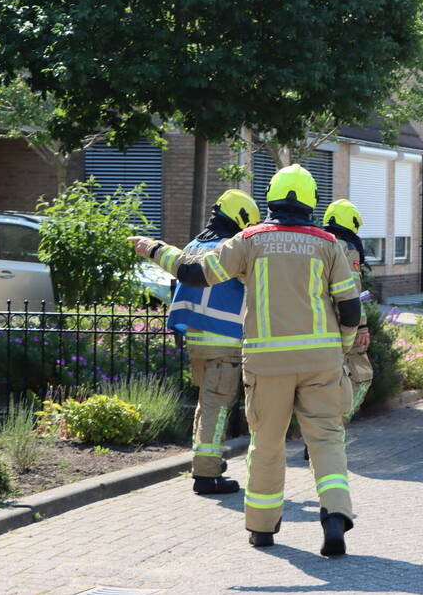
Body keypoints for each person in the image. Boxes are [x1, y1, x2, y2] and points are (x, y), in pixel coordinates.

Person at [129, 164, 361, 556]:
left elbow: (194, 272)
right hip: (322, 360)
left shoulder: (250, 240)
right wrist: (342, 345)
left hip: (268, 363)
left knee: (267, 443)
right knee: (326, 439)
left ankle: (262, 528)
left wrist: (154, 248)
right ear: (310, 203)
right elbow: (350, 308)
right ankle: (335, 516)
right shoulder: (328, 244)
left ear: (270, 199)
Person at [167, 189, 260, 495]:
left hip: (196, 339)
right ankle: (207, 475)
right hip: (225, 342)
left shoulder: (195, 244)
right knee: (217, 408)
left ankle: (207, 464)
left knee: (206, 405)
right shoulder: (231, 249)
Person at [322, 199, 372, 419]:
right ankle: (333, 431)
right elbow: (352, 291)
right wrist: (361, 327)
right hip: (344, 327)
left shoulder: (319, 244)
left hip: (316, 328)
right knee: (363, 376)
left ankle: (317, 436)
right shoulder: (348, 249)